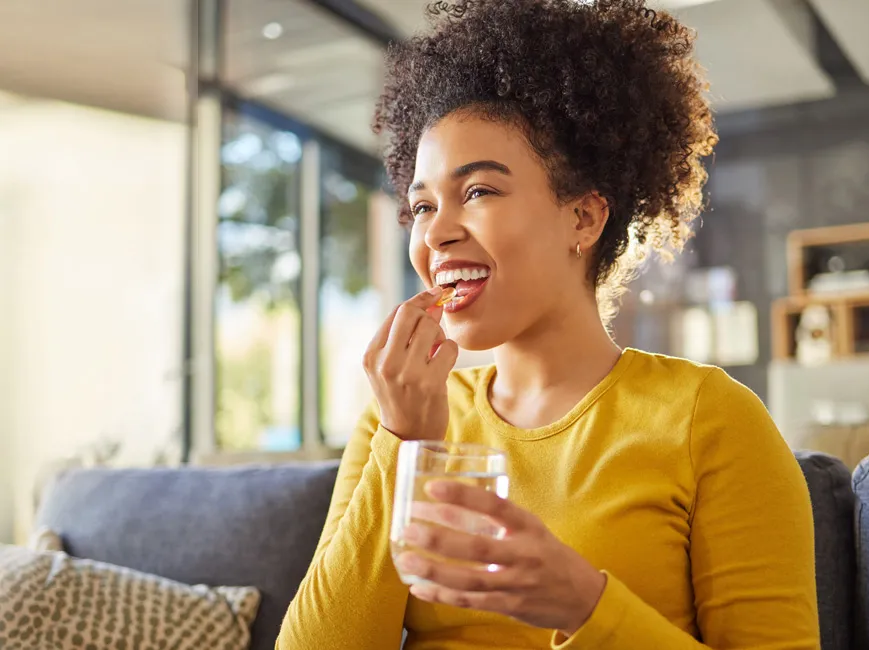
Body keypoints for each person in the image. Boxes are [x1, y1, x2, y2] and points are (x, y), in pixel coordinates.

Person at [277, 1, 818, 648]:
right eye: (421, 206)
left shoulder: (710, 420)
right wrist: (406, 445)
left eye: (478, 191)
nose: (436, 233)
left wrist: (584, 605)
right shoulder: (401, 416)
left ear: (583, 218)